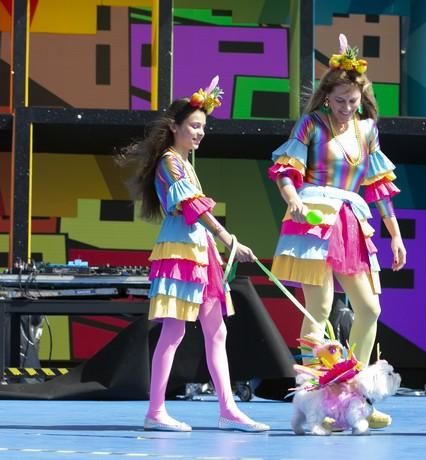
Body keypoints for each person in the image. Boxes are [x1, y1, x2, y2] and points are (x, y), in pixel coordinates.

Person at [267, 34, 406, 428]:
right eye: (340, 100)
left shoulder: (368, 131)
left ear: (362, 97)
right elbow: (286, 169)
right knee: (320, 309)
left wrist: (395, 234)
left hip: (351, 220)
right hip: (314, 218)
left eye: (353, 100)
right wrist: (293, 197)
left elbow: (379, 185)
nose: (347, 107)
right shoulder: (312, 124)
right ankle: (317, 402)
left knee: (370, 308)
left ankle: (354, 396)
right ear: (328, 97)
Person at [120, 77, 269, 433]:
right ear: (175, 126)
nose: (200, 133)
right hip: (182, 253)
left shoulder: (185, 164)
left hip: (200, 254)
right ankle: (156, 411)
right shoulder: (170, 163)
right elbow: (191, 206)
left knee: (216, 332)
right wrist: (227, 237)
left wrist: (219, 243)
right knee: (173, 333)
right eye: (194, 126)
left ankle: (228, 409)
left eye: (203, 127)